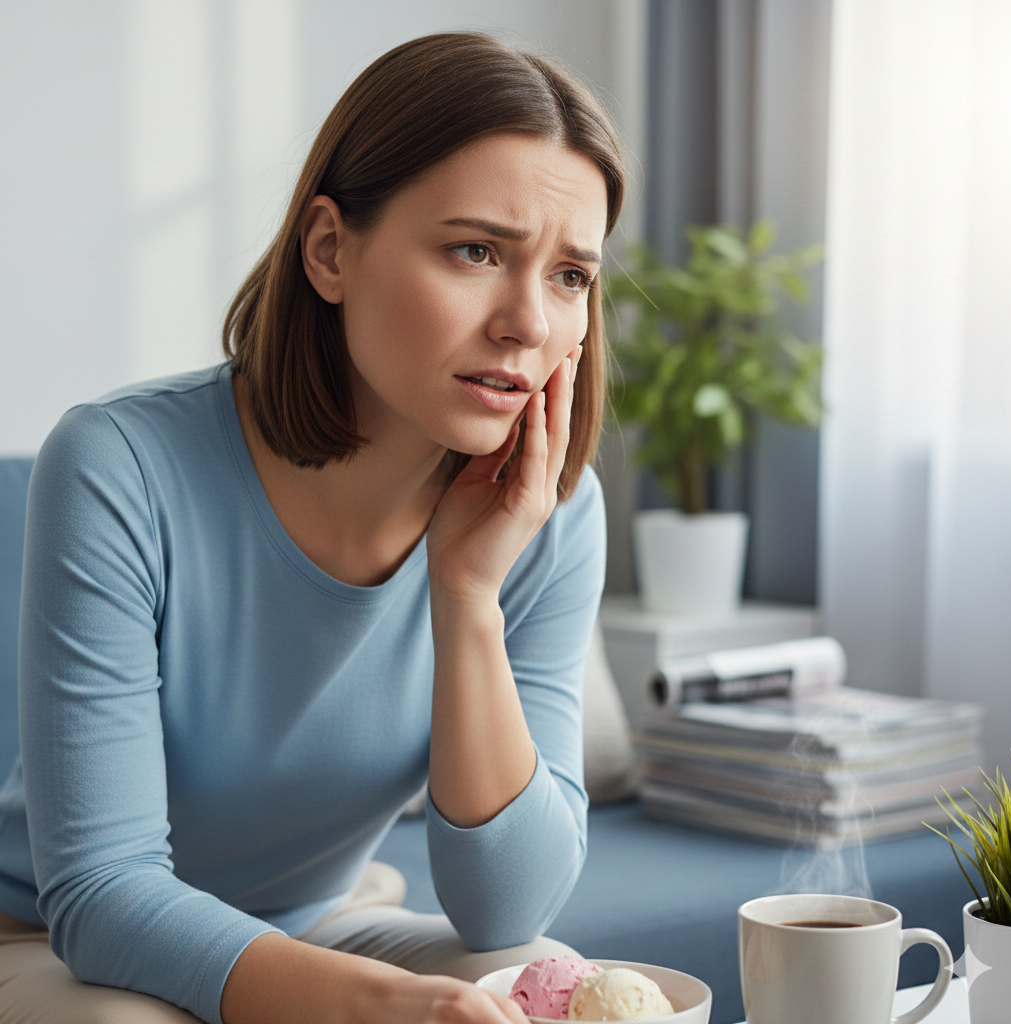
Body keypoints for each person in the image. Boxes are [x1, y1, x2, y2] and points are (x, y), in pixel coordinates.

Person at [0, 30, 624, 1024]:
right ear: (331, 249)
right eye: (476, 250)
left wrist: (467, 596)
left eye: (568, 276)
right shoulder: (119, 464)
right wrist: (388, 1004)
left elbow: (507, 907)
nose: (527, 324)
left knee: (542, 977)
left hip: (316, 920)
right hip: (45, 939)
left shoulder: (548, 514)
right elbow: (101, 890)